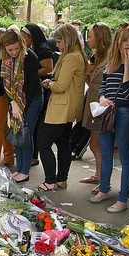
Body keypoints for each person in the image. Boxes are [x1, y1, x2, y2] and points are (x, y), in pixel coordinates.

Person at [89, 24, 129, 213]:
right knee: (106, 153)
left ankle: (123, 198)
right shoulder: (111, 60)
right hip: (106, 112)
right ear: (117, 41)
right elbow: (104, 85)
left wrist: (128, 66)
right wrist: (102, 98)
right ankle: (103, 189)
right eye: (124, 40)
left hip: (125, 112)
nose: (128, 44)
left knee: (126, 156)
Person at [37, 23, 87, 192]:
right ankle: (61, 180)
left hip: (61, 107)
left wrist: (49, 84)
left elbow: (61, 86)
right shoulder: (77, 55)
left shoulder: (71, 57)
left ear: (67, 39)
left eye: (59, 41)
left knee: (43, 143)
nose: (56, 45)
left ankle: (50, 181)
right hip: (68, 108)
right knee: (63, 144)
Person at [0, 30, 42, 183]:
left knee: (25, 131)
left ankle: (25, 171)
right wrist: (13, 103)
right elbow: (3, 84)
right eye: (10, 49)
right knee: (16, 130)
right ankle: (18, 169)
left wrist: (21, 109)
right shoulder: (3, 59)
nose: (14, 52)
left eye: (16, 48)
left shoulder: (30, 58)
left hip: (32, 99)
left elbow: (30, 88)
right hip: (14, 100)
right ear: (4, 48)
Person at [80, 23, 112, 193]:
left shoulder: (110, 57)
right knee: (95, 144)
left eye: (91, 36)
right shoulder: (97, 56)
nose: (88, 39)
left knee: (99, 144)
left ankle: (103, 180)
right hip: (94, 102)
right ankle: (99, 176)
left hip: (101, 105)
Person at [20, 24, 54, 167]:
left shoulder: (42, 49)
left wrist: (30, 73)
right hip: (32, 88)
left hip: (41, 89)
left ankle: (33, 156)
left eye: (23, 37)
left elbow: (49, 69)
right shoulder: (32, 48)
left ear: (30, 37)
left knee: (33, 126)